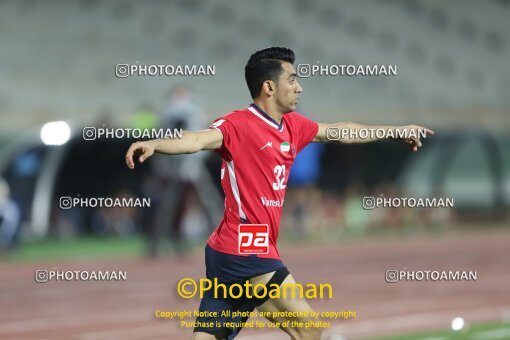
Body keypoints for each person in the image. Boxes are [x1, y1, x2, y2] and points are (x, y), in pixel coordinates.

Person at [125, 47, 434, 340]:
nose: (299, 88)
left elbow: (340, 131)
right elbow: (195, 140)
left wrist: (393, 131)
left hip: (226, 252)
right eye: (293, 79)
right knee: (310, 331)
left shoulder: (293, 126)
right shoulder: (238, 124)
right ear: (269, 87)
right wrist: (156, 144)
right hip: (248, 248)